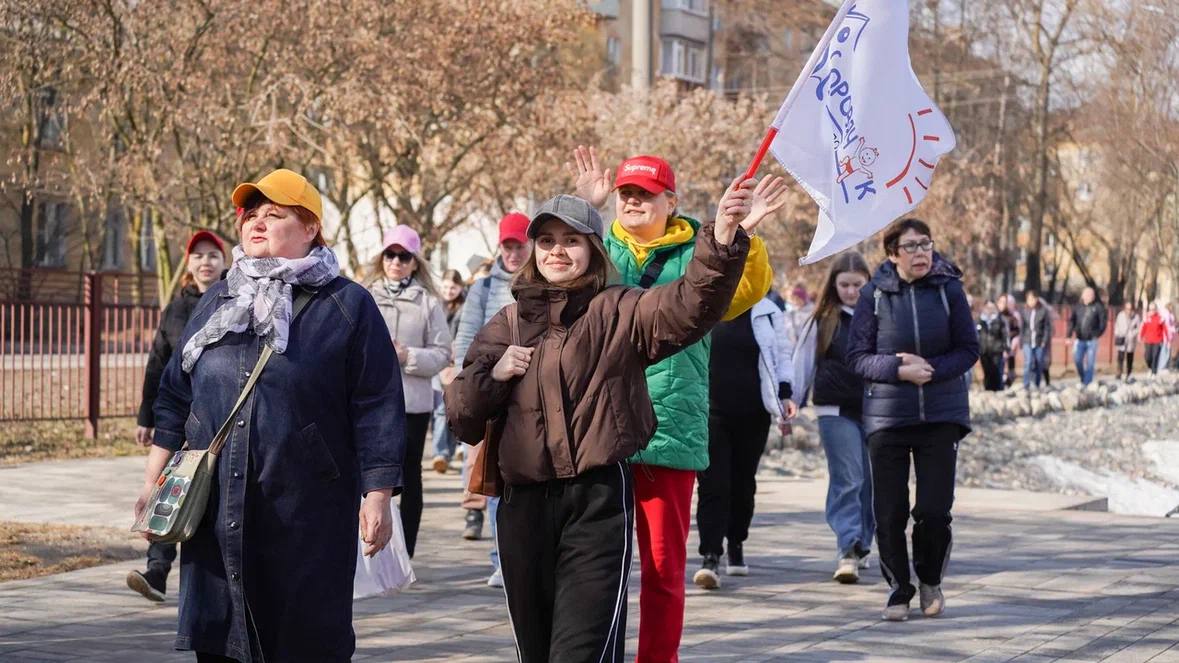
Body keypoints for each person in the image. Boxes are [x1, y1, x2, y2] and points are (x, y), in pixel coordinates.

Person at [447, 180, 775, 663]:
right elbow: (462, 417)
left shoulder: (620, 310)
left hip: (596, 503)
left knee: (581, 650)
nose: (558, 251)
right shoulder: (507, 323)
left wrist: (722, 235)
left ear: (594, 250)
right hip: (524, 507)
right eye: (547, 241)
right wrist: (494, 376)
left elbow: (688, 306)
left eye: (571, 240)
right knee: (536, 650)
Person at [142, 168, 406, 662]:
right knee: (220, 642)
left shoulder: (347, 305)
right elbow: (175, 395)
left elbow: (376, 404)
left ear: (310, 228)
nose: (257, 223)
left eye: (275, 214)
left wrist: (378, 495)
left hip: (306, 510)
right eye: (251, 214)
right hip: (216, 514)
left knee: (302, 642)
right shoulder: (217, 301)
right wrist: (153, 483)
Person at [570, 146, 774, 662]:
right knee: (596, 570)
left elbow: (744, 292)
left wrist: (737, 235)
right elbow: (554, 287)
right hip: (599, 431)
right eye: (625, 194)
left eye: (645, 194)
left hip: (668, 430)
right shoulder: (595, 250)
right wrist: (584, 209)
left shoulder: (700, 252)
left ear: (671, 201)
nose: (633, 202)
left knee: (662, 570)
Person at [846, 218, 979, 622]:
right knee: (889, 511)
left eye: (926, 244)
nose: (921, 252)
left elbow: (969, 349)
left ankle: (930, 580)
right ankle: (898, 589)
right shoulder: (873, 295)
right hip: (888, 417)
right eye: (911, 246)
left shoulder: (949, 290)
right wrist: (896, 369)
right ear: (892, 254)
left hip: (941, 414)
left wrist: (932, 370)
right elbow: (857, 357)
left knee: (934, 510)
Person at [126, 229, 226, 602]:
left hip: (215, 418)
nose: (205, 262)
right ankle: (157, 570)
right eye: (198, 255)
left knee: (200, 493)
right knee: (169, 486)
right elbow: (157, 366)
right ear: (188, 264)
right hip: (177, 417)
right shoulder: (176, 309)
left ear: (224, 261)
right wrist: (145, 416)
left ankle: (201, 580)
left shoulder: (236, 302)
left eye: (213, 255)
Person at [692, 288, 796, 590]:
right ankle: (710, 555)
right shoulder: (706, 304)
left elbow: (781, 356)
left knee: (743, 483)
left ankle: (736, 540)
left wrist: (786, 394)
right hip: (711, 412)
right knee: (713, 484)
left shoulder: (767, 311)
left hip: (754, 412)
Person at [451, 212, 532, 586]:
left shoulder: (540, 282)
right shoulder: (482, 289)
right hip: (494, 396)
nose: (514, 253)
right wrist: (468, 389)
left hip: (532, 396)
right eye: (508, 245)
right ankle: (501, 557)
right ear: (499, 247)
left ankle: (524, 554)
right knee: (493, 478)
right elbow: (465, 341)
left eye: (520, 245)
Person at [788, 251, 876, 583]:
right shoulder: (823, 318)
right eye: (845, 285)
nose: (852, 291)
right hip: (834, 408)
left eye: (858, 285)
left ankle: (863, 542)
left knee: (872, 483)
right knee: (848, 477)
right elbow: (803, 362)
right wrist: (792, 399)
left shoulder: (880, 317)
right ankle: (847, 548)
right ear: (834, 285)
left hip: (874, 409)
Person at [368, 225, 452, 559]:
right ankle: (370, 544)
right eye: (391, 254)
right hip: (371, 404)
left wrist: (408, 356)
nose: (396, 262)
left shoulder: (428, 303)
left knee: (410, 475)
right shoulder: (365, 295)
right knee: (371, 477)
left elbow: (443, 353)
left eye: (404, 256)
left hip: (412, 404)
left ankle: (407, 552)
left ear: (415, 262)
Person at [431, 269, 467, 473]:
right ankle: (440, 453)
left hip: (459, 362)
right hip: (439, 362)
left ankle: (458, 447)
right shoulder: (436, 306)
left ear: (460, 288)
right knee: (440, 410)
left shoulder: (466, 307)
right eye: (445, 287)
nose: (449, 291)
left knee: (457, 408)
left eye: (453, 287)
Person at [1067, 287, 1107, 386]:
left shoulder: (1098, 307)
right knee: (1077, 359)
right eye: (1087, 294)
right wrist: (1069, 335)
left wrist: (1097, 334)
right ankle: (1083, 376)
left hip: (1092, 340)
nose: (1089, 296)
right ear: (1083, 296)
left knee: (1090, 363)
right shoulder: (1078, 307)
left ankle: (1087, 383)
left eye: (1091, 295)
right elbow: (1072, 321)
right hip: (1080, 339)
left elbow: (1103, 323)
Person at [1020, 290, 1052, 390]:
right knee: (1028, 362)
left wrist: (1044, 341)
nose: (1030, 301)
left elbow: (1047, 328)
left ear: (1036, 299)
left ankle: (1037, 383)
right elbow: (1023, 327)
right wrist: (1022, 341)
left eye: (1032, 299)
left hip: (1039, 341)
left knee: (1039, 363)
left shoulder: (1043, 311)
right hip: (1027, 340)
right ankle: (1026, 384)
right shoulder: (1024, 311)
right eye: (1028, 299)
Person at [976, 301, 1009, 392]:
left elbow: (1005, 335)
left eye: (991, 307)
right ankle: (988, 390)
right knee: (987, 372)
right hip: (984, 351)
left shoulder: (1000, 319)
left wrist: (1006, 348)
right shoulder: (980, 320)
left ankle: (998, 390)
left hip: (997, 350)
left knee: (997, 372)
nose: (989, 309)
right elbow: (976, 335)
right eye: (987, 307)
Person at [996, 293, 1021, 388]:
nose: (1001, 304)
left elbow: (1017, 331)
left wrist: (1011, 344)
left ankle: (1008, 382)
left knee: (1009, 365)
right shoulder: (995, 316)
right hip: (997, 347)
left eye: (1004, 302)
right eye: (1000, 302)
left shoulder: (1013, 317)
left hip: (1009, 346)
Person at [1113, 301, 1142, 381]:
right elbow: (1117, 325)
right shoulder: (1120, 315)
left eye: (1130, 309)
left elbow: (1138, 328)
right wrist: (1117, 333)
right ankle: (1119, 373)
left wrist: (1132, 334)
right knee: (1120, 356)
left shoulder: (1136, 317)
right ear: (1125, 309)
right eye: (1127, 309)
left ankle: (1129, 373)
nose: (1129, 311)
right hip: (1121, 338)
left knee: (1130, 357)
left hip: (1130, 339)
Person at [1141, 301, 1166, 375]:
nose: (1152, 311)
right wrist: (1141, 336)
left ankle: (1154, 372)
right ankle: (1150, 367)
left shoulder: (1160, 318)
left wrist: (1165, 338)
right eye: (1150, 309)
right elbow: (1143, 328)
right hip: (1148, 340)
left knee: (1155, 356)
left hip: (1157, 340)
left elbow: (1164, 329)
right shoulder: (1147, 318)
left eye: (1153, 309)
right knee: (1147, 357)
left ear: (1156, 310)